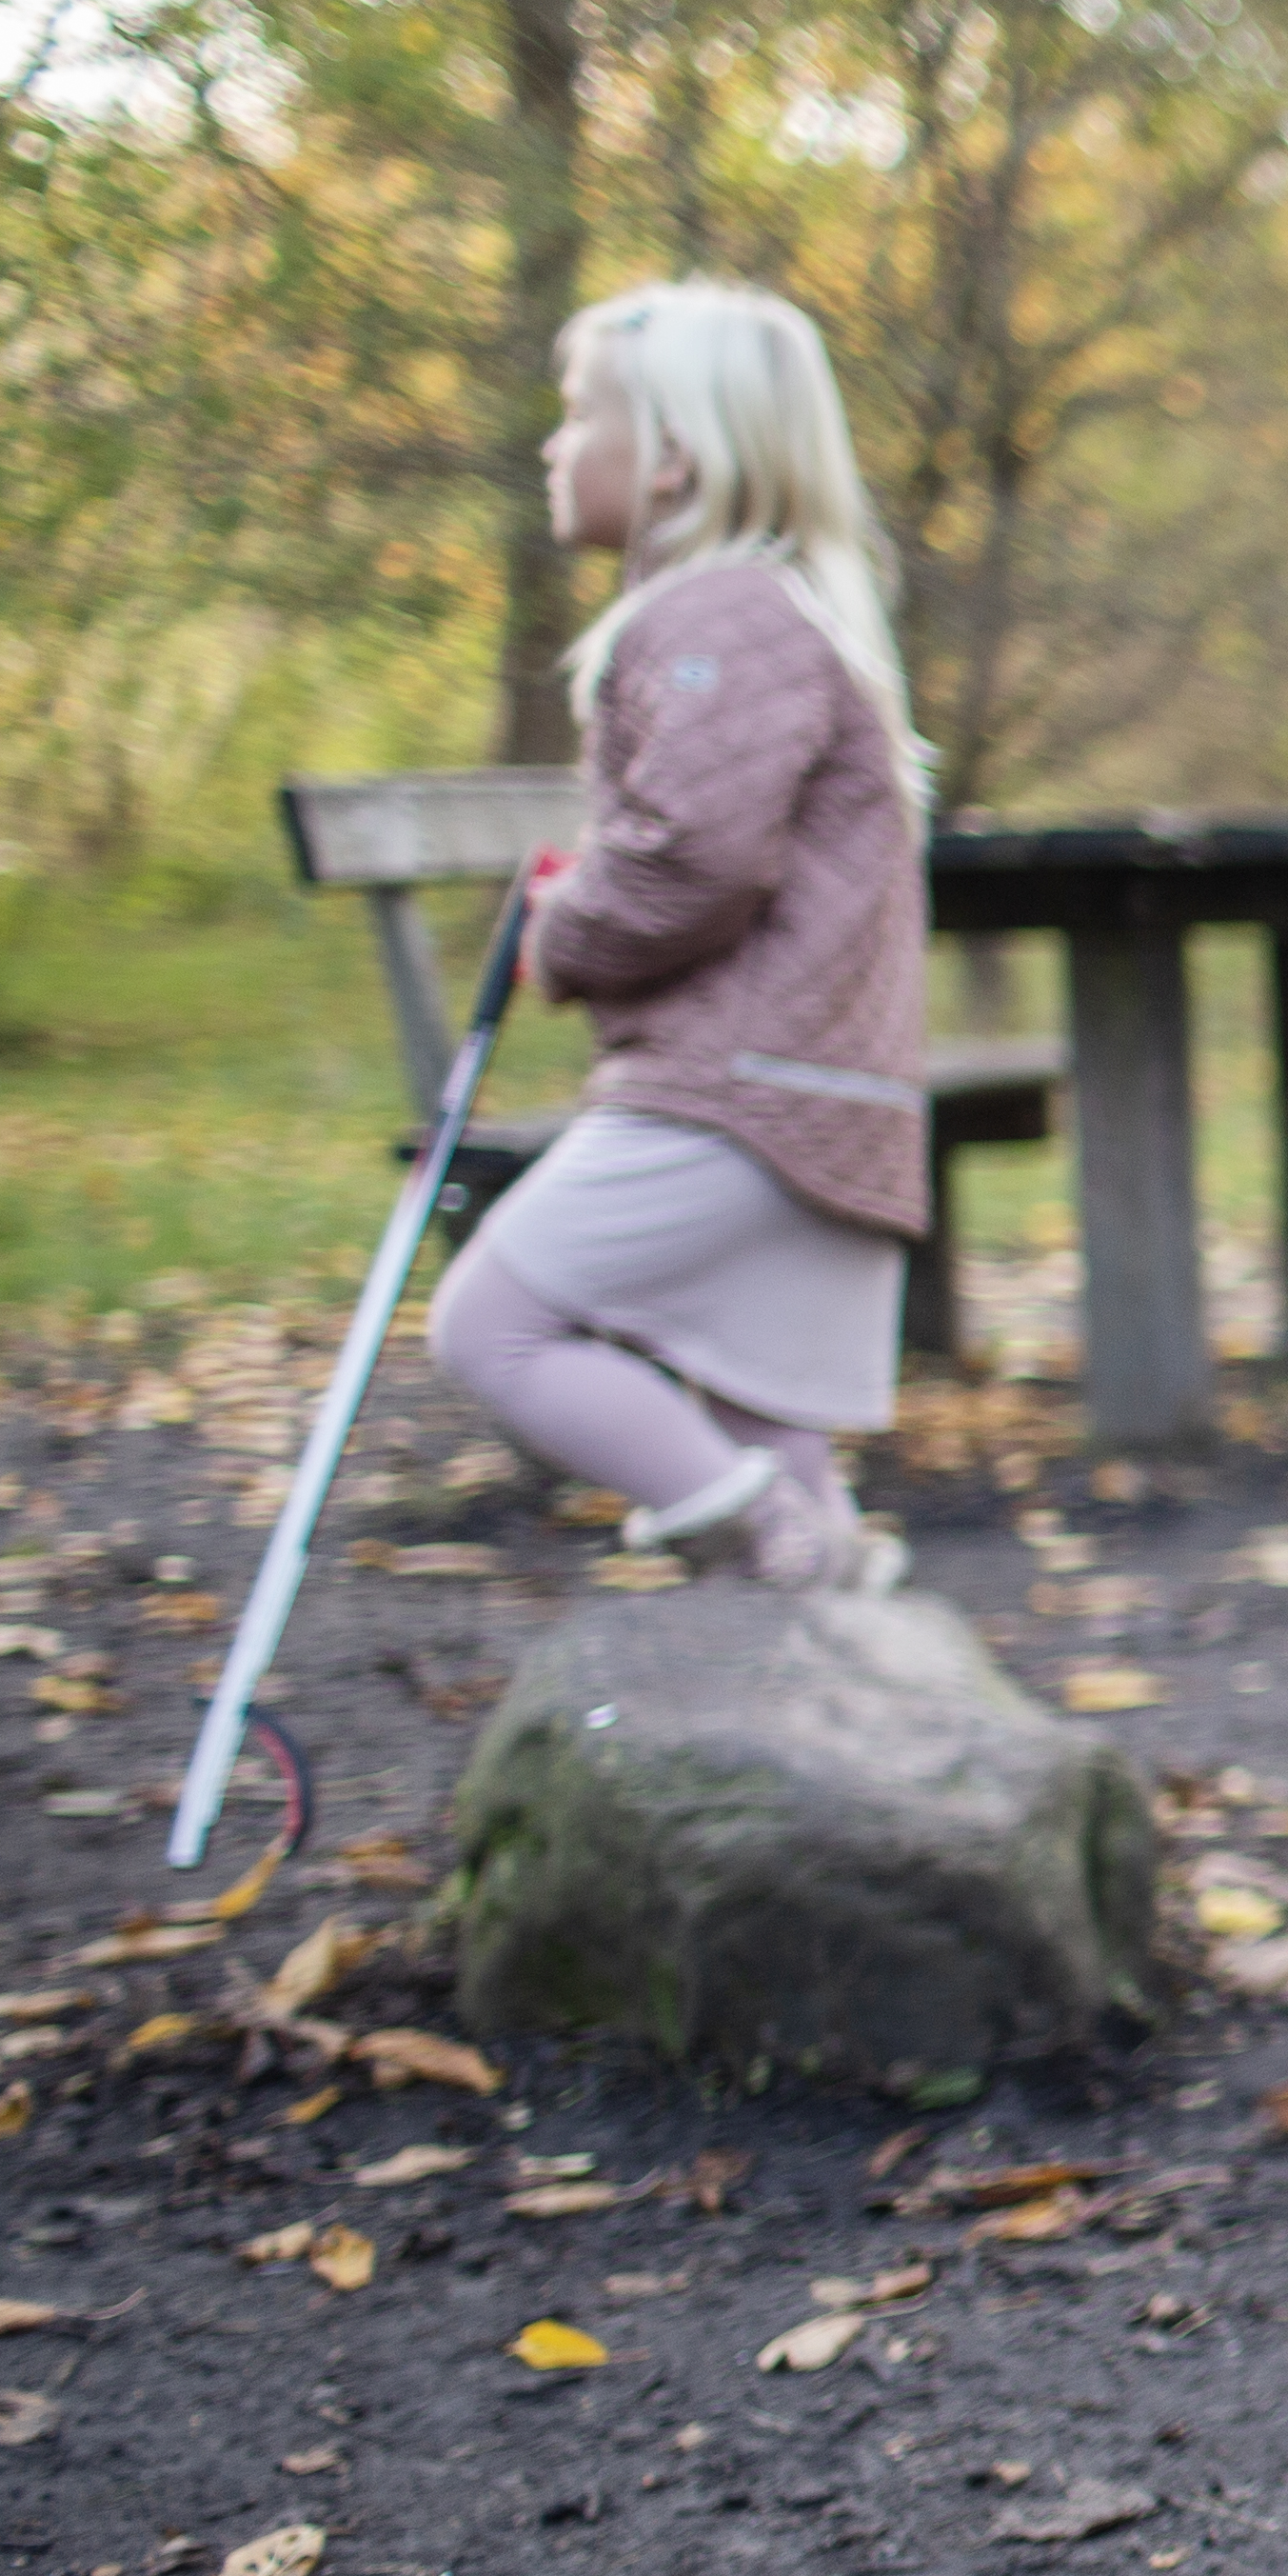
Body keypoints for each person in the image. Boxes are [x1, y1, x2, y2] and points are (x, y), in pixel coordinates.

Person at [427, 280, 930, 1596]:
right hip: (826, 1091)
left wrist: (565, 927)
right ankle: (846, 1656)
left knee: (494, 1326)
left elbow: (696, 854)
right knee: (764, 1414)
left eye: (575, 413)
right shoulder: (780, 616)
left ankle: (758, 1539)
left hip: (733, 1094)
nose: (552, 444)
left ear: (671, 458)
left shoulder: (712, 617)